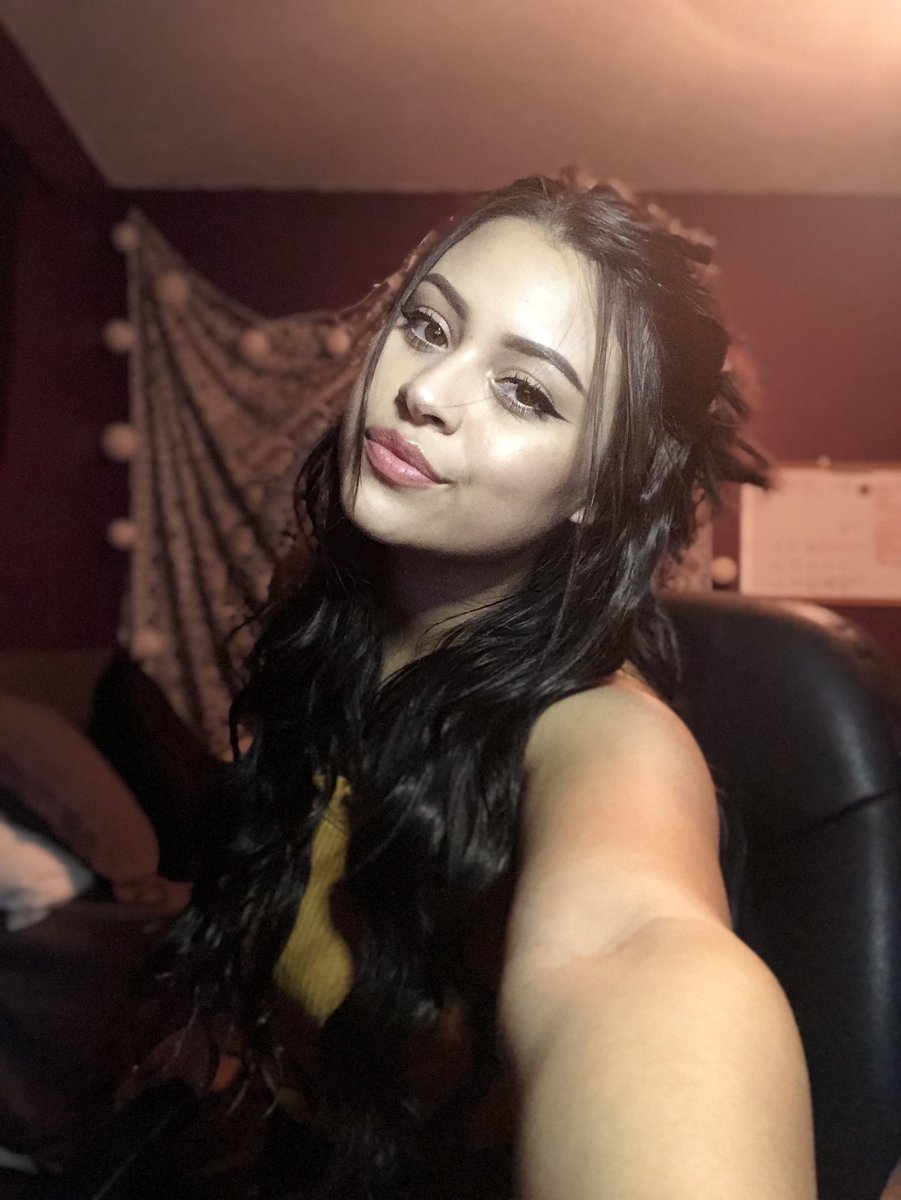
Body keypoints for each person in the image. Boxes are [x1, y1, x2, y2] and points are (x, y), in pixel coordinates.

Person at [180, 174, 817, 1199]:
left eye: (525, 392)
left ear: (603, 480)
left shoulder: (606, 738)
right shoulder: (317, 595)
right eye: (428, 326)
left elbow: (635, 949)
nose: (426, 391)